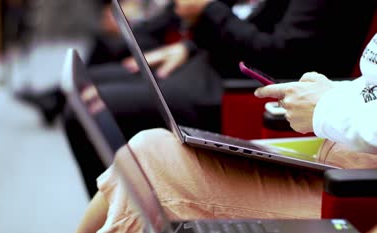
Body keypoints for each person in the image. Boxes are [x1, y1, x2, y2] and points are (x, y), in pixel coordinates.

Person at [0, 33, 377, 233]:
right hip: (338, 153)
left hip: (356, 194)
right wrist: (332, 92)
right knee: (150, 150)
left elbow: (285, 44)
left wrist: (327, 106)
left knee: (151, 164)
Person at [64, 0, 377, 198]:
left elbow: (285, 58)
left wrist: (208, 11)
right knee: (93, 85)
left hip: (237, 91)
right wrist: (189, 47)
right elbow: (254, 17)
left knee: (93, 114)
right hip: (214, 67)